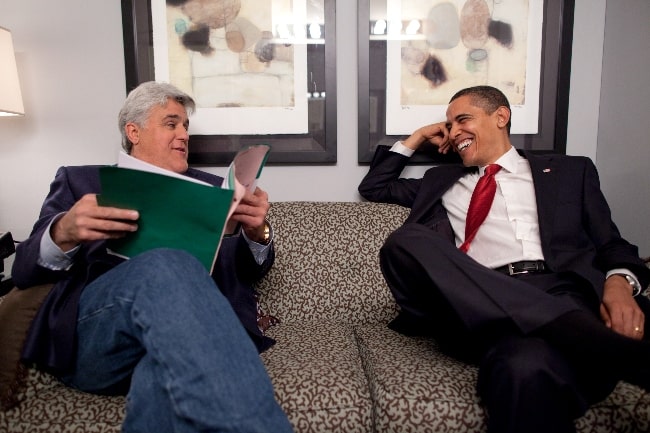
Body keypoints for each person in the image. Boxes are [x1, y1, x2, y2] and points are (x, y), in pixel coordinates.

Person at [358, 85, 650, 433]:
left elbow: (611, 243)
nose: (453, 132)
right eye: (448, 126)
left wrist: (619, 283)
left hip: (561, 292)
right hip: (477, 303)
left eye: (462, 119)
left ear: (501, 116)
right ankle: (608, 347)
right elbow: (374, 187)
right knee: (404, 242)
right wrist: (419, 136)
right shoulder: (440, 181)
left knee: (522, 369)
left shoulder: (572, 171)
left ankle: (579, 336)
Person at [12, 81, 293, 432]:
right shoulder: (80, 182)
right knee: (167, 263)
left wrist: (256, 232)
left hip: (183, 337)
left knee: (160, 374)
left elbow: (252, 268)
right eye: (171, 123)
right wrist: (63, 230)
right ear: (134, 131)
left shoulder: (212, 190)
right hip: (99, 337)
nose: (184, 135)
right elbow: (23, 268)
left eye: (186, 126)